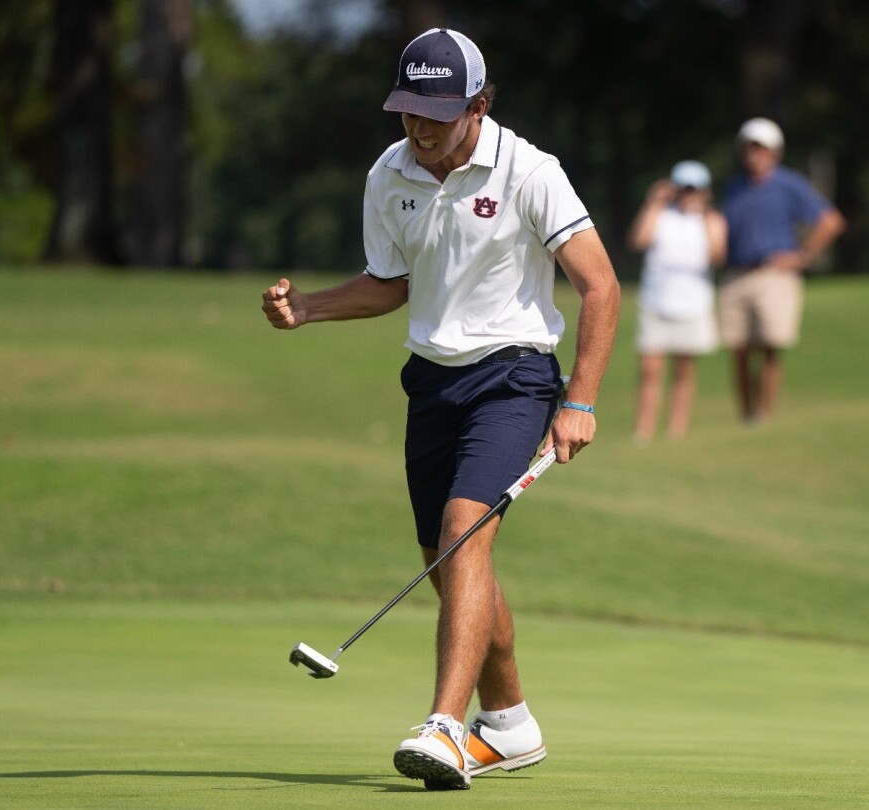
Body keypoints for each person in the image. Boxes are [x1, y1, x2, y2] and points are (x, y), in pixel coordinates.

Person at [260, 28, 619, 792]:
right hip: (432, 382)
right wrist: (310, 310)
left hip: (515, 375)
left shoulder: (530, 170)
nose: (418, 128)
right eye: (407, 111)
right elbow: (390, 282)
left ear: (478, 106)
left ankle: (445, 727)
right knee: (449, 565)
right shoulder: (389, 175)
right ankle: (512, 724)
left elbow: (601, 285)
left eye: (436, 113)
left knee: (463, 535)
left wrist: (579, 399)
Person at [718, 118, 845, 423]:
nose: (753, 155)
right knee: (739, 349)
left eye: (760, 148)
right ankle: (746, 416)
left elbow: (830, 221)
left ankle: (764, 415)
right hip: (736, 274)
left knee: (771, 347)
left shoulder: (789, 184)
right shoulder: (734, 188)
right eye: (749, 148)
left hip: (773, 274)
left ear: (775, 152)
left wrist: (802, 257)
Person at [627, 160, 727, 443]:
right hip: (656, 299)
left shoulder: (712, 219)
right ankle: (643, 429)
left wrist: (707, 217)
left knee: (683, 369)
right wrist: (653, 203)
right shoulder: (660, 214)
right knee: (650, 369)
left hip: (693, 302)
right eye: (684, 188)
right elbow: (639, 240)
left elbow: (718, 256)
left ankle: (676, 429)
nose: (689, 194)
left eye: (695, 189)